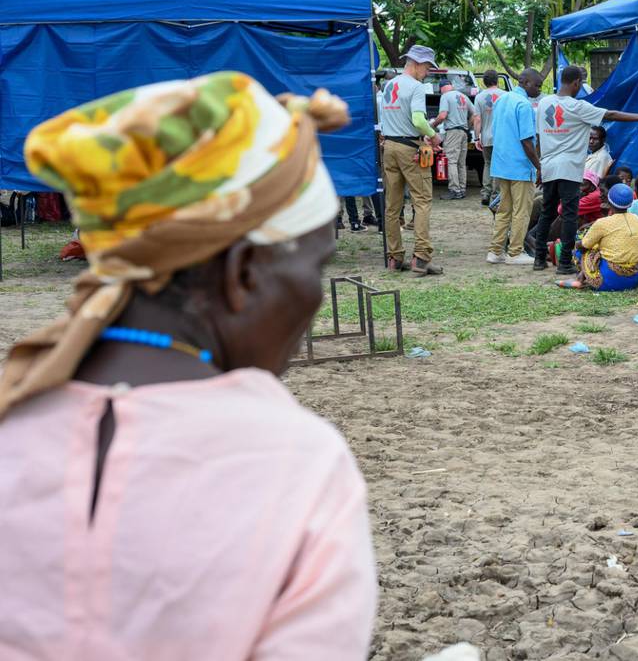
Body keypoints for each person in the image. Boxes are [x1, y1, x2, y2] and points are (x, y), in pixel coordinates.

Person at [0, 73, 376, 657]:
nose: (314, 297)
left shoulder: (14, 422)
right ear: (244, 272)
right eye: (315, 267)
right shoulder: (297, 464)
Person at [534, 65, 638, 276]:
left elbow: (539, 137)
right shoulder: (577, 107)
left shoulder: (543, 104)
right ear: (577, 82)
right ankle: (565, 262)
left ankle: (539, 258)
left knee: (547, 211)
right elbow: (611, 114)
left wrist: (540, 165)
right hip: (568, 168)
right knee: (570, 214)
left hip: (549, 166)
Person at [379, 44, 443, 276]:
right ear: (415, 64)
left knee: (393, 206)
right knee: (422, 201)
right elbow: (418, 119)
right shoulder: (416, 87)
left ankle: (395, 259)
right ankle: (421, 258)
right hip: (410, 148)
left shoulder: (389, 85)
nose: (427, 72)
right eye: (427, 67)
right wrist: (434, 137)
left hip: (390, 148)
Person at [486, 68, 543, 265]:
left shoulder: (501, 100)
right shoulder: (524, 105)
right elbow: (527, 141)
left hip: (501, 164)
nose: (538, 90)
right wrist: (539, 166)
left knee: (504, 209)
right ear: (525, 83)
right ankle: (515, 252)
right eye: (537, 85)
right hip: (520, 167)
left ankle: (495, 251)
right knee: (521, 211)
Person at [560, 184, 638, 291]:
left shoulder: (602, 223)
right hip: (635, 279)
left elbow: (583, 246)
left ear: (609, 202)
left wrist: (578, 243)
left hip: (610, 281)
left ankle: (580, 279)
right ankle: (581, 277)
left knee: (585, 250)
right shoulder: (636, 219)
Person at [434, 82, 474, 200]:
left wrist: (433, 125)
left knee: (451, 161)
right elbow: (475, 114)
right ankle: (462, 189)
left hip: (452, 132)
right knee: (461, 163)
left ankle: (454, 190)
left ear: (442, 88)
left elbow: (442, 116)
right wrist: (468, 125)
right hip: (463, 132)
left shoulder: (445, 96)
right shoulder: (463, 96)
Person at [473, 70, 506, 201]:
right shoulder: (505, 96)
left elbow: (477, 119)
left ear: (484, 82)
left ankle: (485, 193)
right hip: (502, 138)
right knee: (499, 165)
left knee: (488, 164)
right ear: (497, 80)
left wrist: (477, 137)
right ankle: (496, 194)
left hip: (486, 137)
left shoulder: (479, 97)